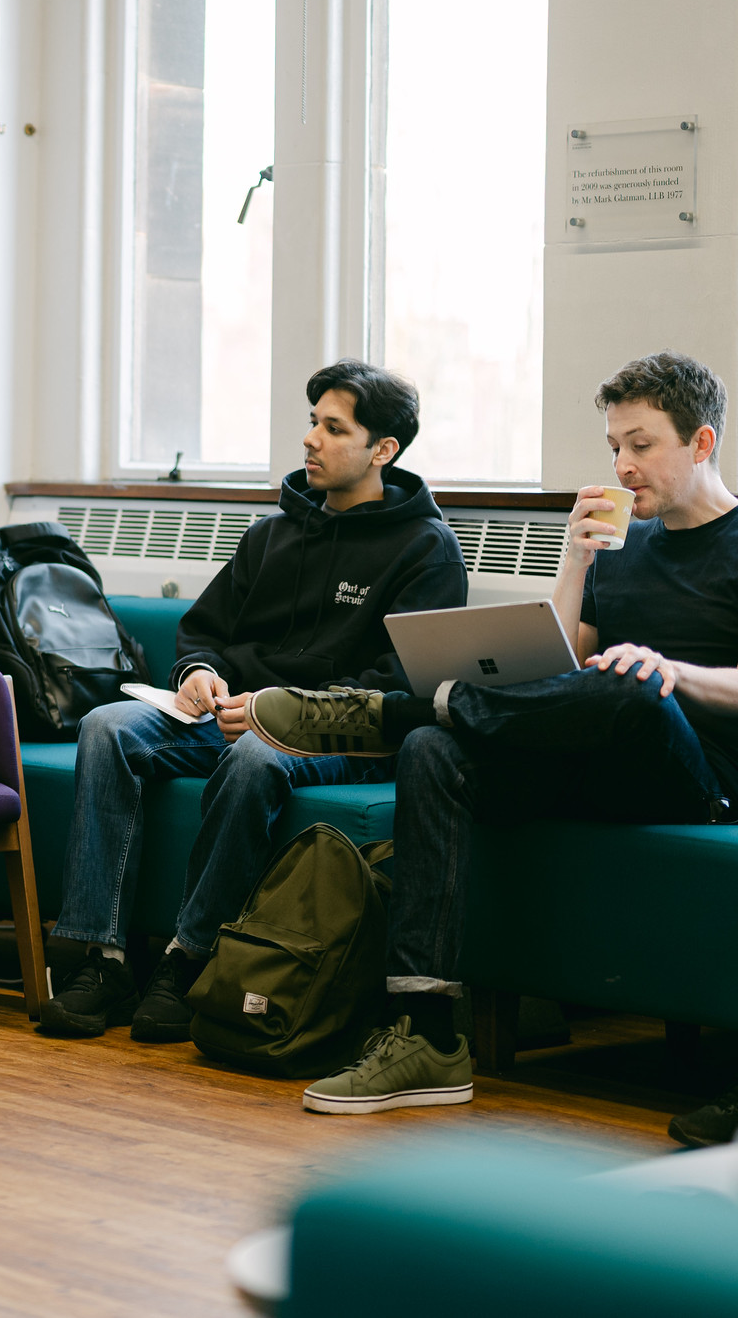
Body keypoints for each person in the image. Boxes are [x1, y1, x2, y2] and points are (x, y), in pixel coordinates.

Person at [249, 350, 738, 1115]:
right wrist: (574, 562)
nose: (623, 463)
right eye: (614, 445)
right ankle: (428, 1031)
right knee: (432, 751)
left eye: (640, 445)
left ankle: (391, 710)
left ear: (701, 443)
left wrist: (667, 669)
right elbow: (561, 668)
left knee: (634, 686)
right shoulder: (622, 543)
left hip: (698, 780)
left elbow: (624, 684)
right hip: (592, 759)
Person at [37, 361, 468, 1042]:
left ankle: (189, 960)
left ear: (383, 449)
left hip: (337, 733)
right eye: (312, 423)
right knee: (106, 727)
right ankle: (100, 956)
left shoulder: (427, 550)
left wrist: (281, 704)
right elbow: (205, 630)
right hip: (229, 712)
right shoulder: (271, 533)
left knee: (255, 759)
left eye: (334, 428)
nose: (311, 441)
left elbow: (403, 680)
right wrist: (201, 672)